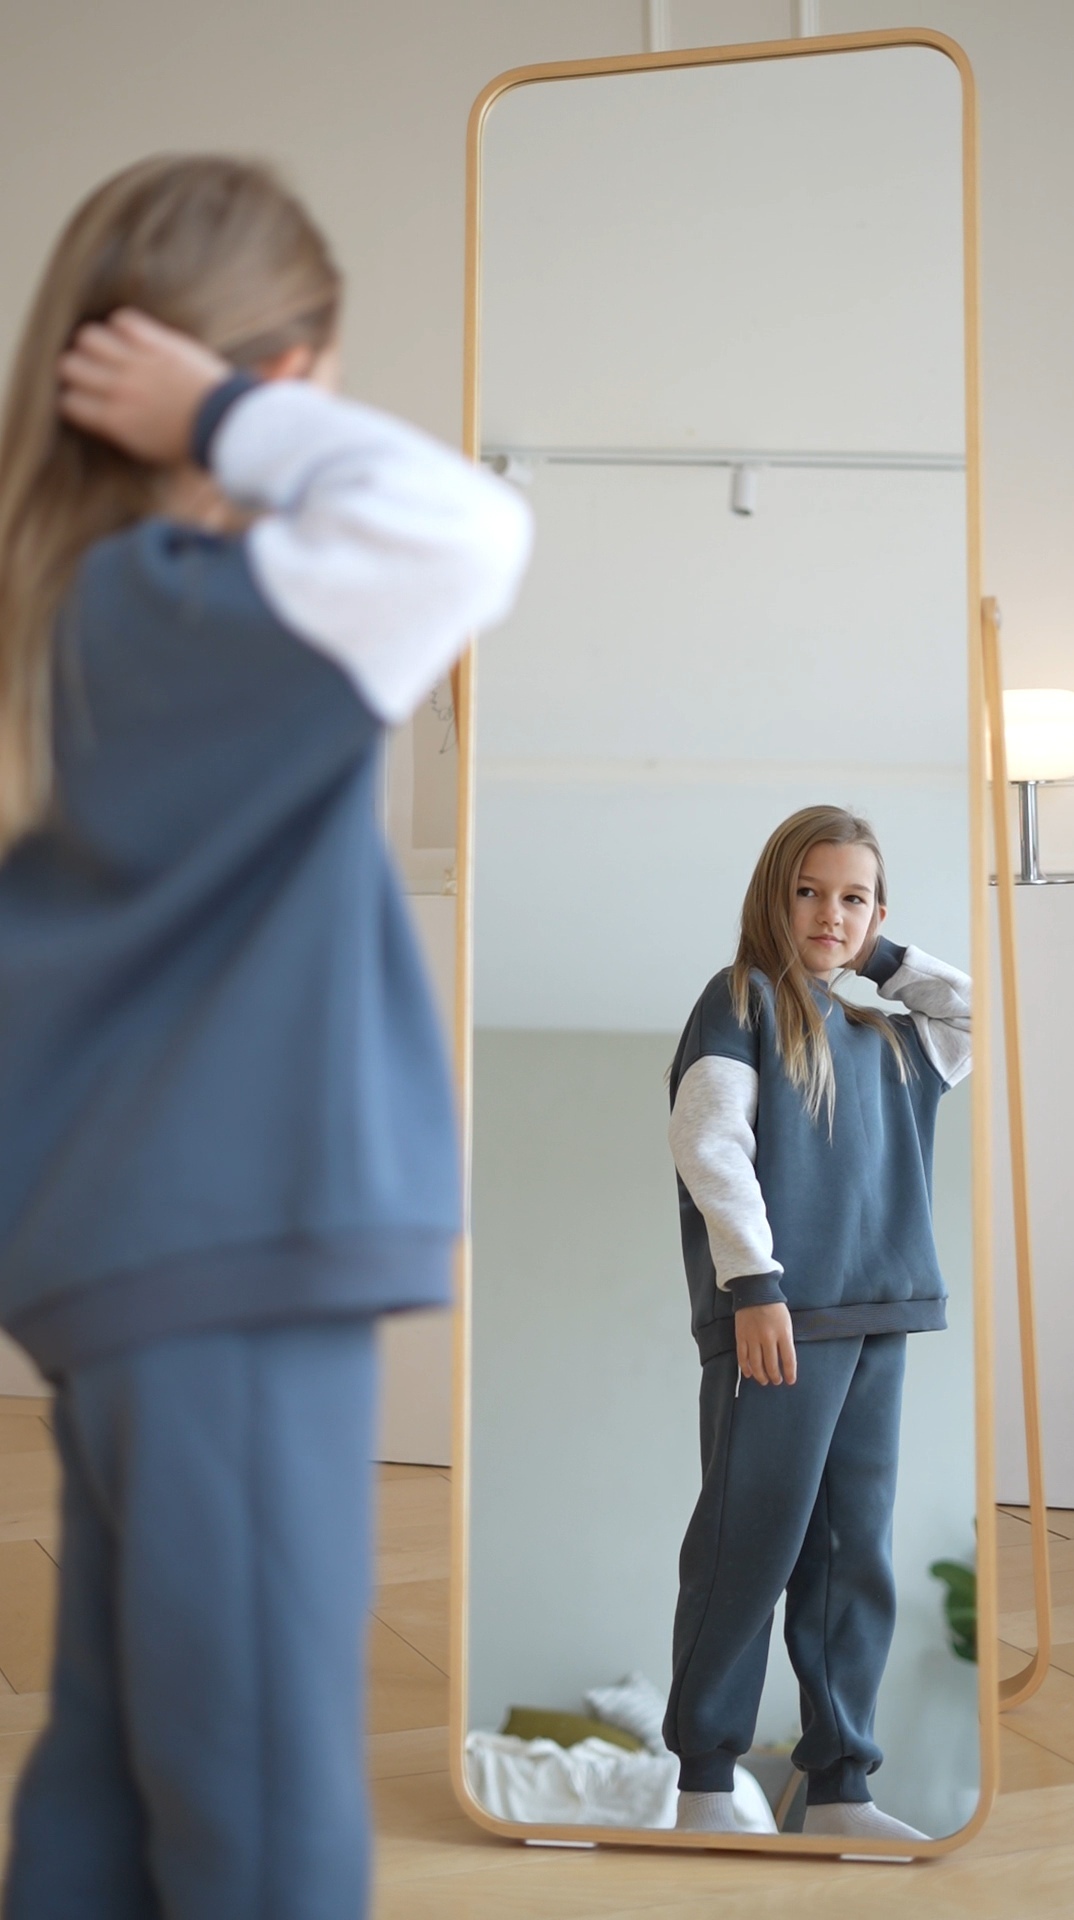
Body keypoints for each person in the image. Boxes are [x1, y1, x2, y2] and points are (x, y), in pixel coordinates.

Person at [0, 155, 532, 1919]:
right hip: (233, 1261)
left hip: (111, 1271)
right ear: (289, 373)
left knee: (113, 1771)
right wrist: (232, 416)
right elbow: (467, 527)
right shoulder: (208, 618)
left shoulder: (66, 621)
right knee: (264, 1816)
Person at [662, 803, 971, 1843]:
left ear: (879, 912)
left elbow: (983, 1016)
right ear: (772, 898)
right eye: (808, 892)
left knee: (851, 1555)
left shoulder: (893, 1038)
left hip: (882, 1313)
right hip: (780, 1318)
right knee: (748, 1545)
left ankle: (841, 1793)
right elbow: (711, 1144)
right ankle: (706, 1786)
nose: (830, 914)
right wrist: (754, 1287)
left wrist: (877, 954)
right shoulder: (741, 999)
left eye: (853, 897)